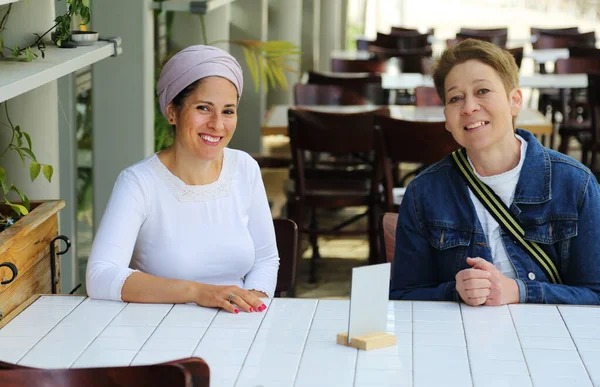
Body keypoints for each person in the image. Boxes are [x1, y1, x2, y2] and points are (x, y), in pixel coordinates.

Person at [389, 39, 600, 306]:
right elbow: (404, 295)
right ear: (446, 117)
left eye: (483, 91)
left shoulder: (575, 184)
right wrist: (455, 290)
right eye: (456, 98)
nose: (468, 107)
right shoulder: (424, 192)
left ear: (514, 101)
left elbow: (596, 294)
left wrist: (519, 291)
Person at [86, 45, 279, 314]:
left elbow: (266, 259)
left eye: (228, 111)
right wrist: (199, 293)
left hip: (237, 327)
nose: (217, 124)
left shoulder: (245, 168)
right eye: (203, 108)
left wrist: (252, 302)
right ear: (172, 112)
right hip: (159, 334)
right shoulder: (139, 183)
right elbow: (100, 276)